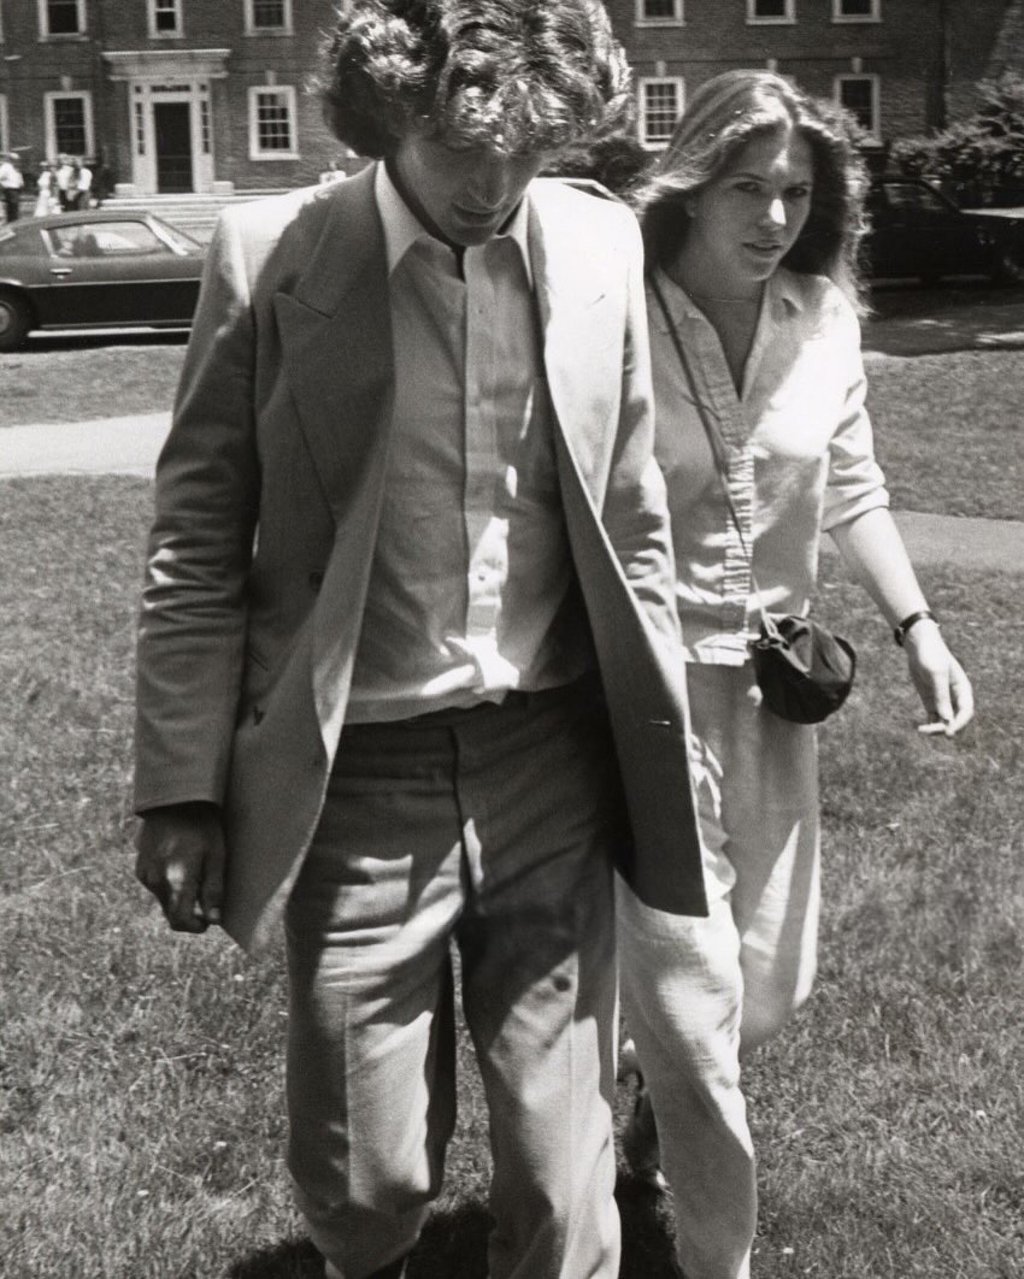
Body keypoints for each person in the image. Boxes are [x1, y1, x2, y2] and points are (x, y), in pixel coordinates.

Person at [132, 3, 707, 1278]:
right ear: (385, 117)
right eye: (460, 148)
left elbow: (634, 519)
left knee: (562, 1177)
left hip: (550, 756)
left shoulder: (600, 244)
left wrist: (672, 737)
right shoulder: (272, 254)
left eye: (531, 151)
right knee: (366, 1174)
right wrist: (179, 784)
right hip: (355, 774)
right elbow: (198, 534)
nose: (493, 186)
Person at [616, 70, 974, 1279]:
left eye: (796, 192)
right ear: (691, 185)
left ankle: (632, 1100)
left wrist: (917, 627)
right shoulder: (618, 310)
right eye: (745, 187)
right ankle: (714, 1252)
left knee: (765, 983)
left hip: (772, 695)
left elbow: (854, 484)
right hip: (645, 692)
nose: (773, 216)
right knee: (694, 985)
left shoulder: (820, 315)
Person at [0, 152, 24, 223]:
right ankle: (11, 223)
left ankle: (14, 222)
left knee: (15, 208)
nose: (16, 161)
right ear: (10, 159)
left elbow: (18, 179)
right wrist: (3, 185)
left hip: (16, 190)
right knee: (12, 208)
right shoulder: (6, 167)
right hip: (10, 190)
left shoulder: (15, 168)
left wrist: (20, 184)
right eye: (15, 159)